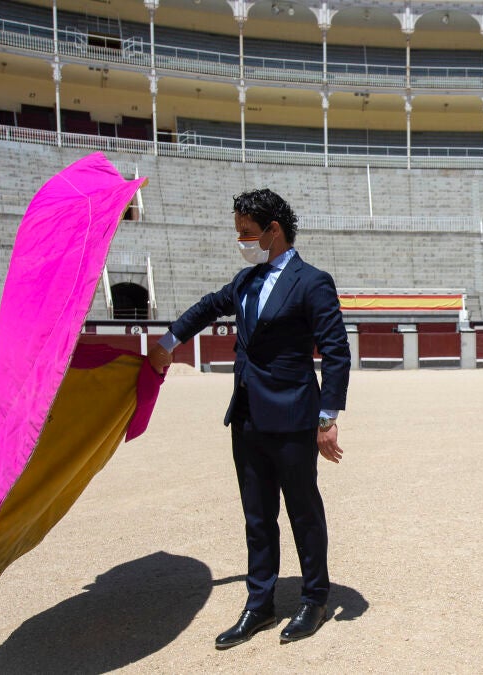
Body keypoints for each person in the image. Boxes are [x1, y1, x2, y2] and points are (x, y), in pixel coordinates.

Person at [147, 188, 350, 649]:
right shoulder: (245, 280)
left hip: (294, 418)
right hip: (247, 417)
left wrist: (326, 419)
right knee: (257, 516)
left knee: (303, 512)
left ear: (273, 231)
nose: (242, 239)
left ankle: (314, 599)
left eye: (247, 231)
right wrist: (168, 342)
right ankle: (260, 605)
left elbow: (336, 351)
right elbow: (206, 307)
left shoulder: (312, 281)